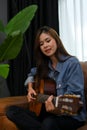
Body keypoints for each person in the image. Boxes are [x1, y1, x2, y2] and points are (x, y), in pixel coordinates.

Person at [6, 26, 86, 130]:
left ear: (56, 40)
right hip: (48, 113)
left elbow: (75, 101)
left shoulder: (72, 64)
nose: (45, 46)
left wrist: (56, 109)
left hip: (71, 117)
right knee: (12, 111)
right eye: (41, 44)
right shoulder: (45, 65)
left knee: (49, 123)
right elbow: (31, 74)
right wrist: (30, 88)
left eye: (48, 41)